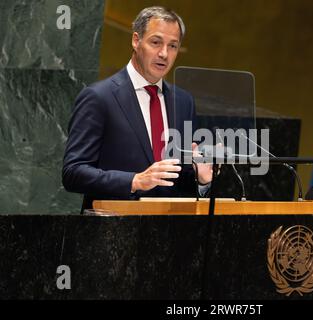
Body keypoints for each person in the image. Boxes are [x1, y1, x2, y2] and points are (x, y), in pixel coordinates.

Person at [62, 6, 212, 212]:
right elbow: (73, 173)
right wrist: (135, 181)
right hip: (111, 231)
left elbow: (177, 182)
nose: (164, 54)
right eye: (156, 42)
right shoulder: (99, 97)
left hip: (170, 232)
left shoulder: (183, 102)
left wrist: (201, 179)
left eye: (173, 46)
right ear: (136, 40)